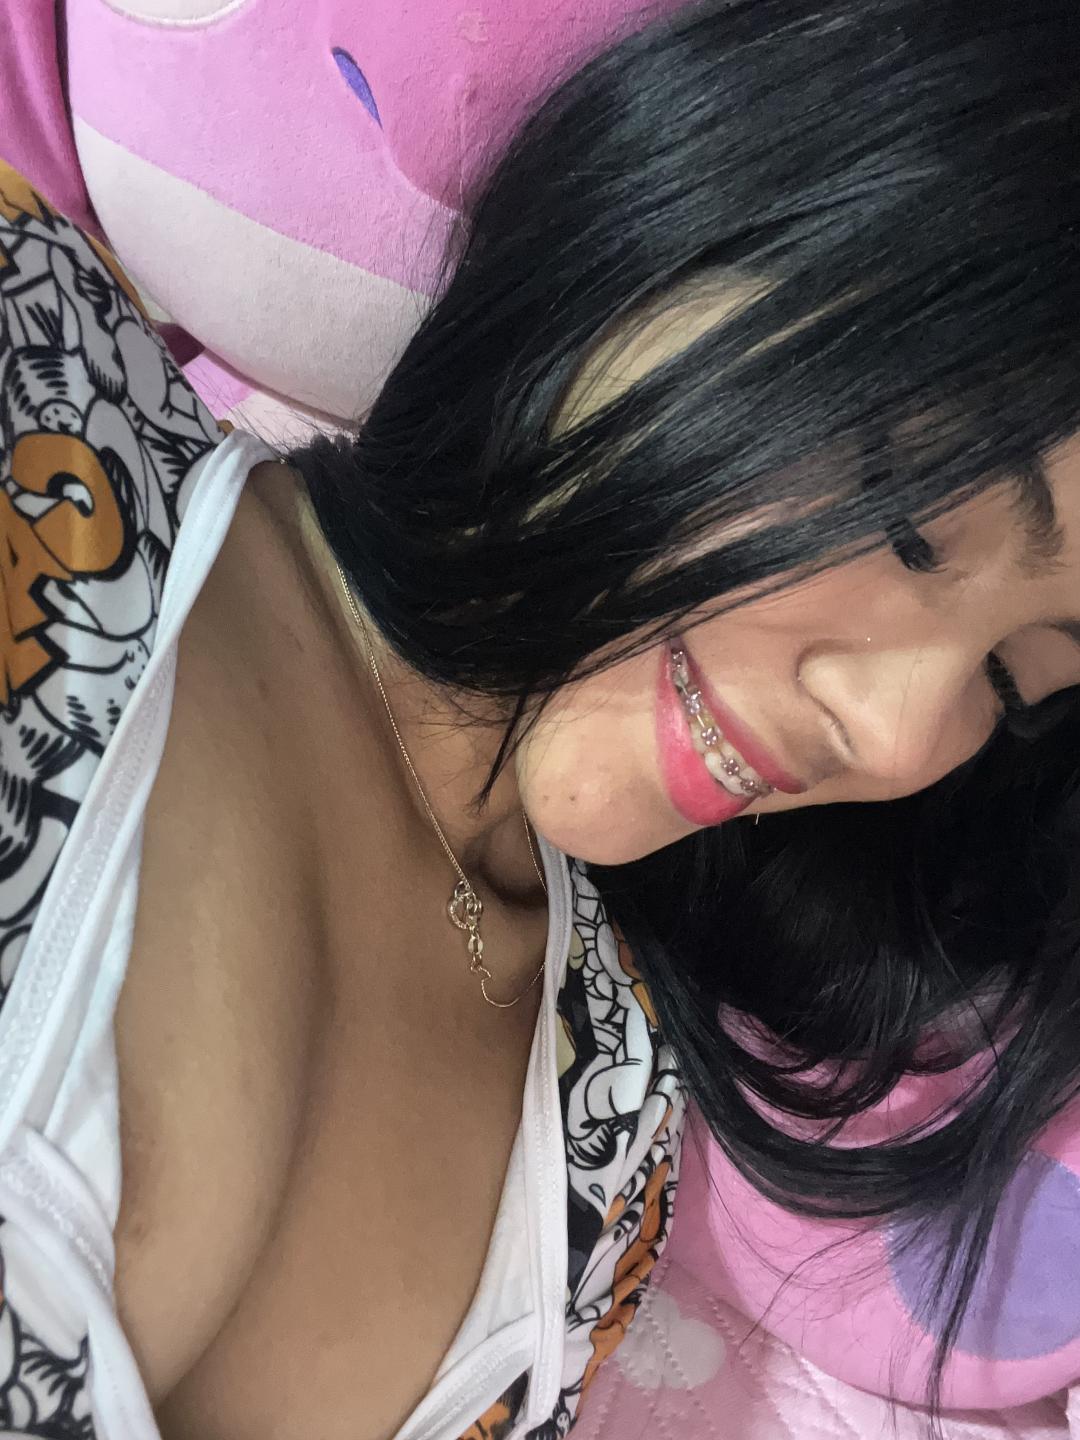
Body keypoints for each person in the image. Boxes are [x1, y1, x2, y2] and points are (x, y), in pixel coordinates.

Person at [1, 1, 1079, 1437]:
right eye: (915, 527)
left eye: (1013, 681)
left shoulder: (609, 1149)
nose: (893, 738)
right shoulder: (39, 379)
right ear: (708, 209)